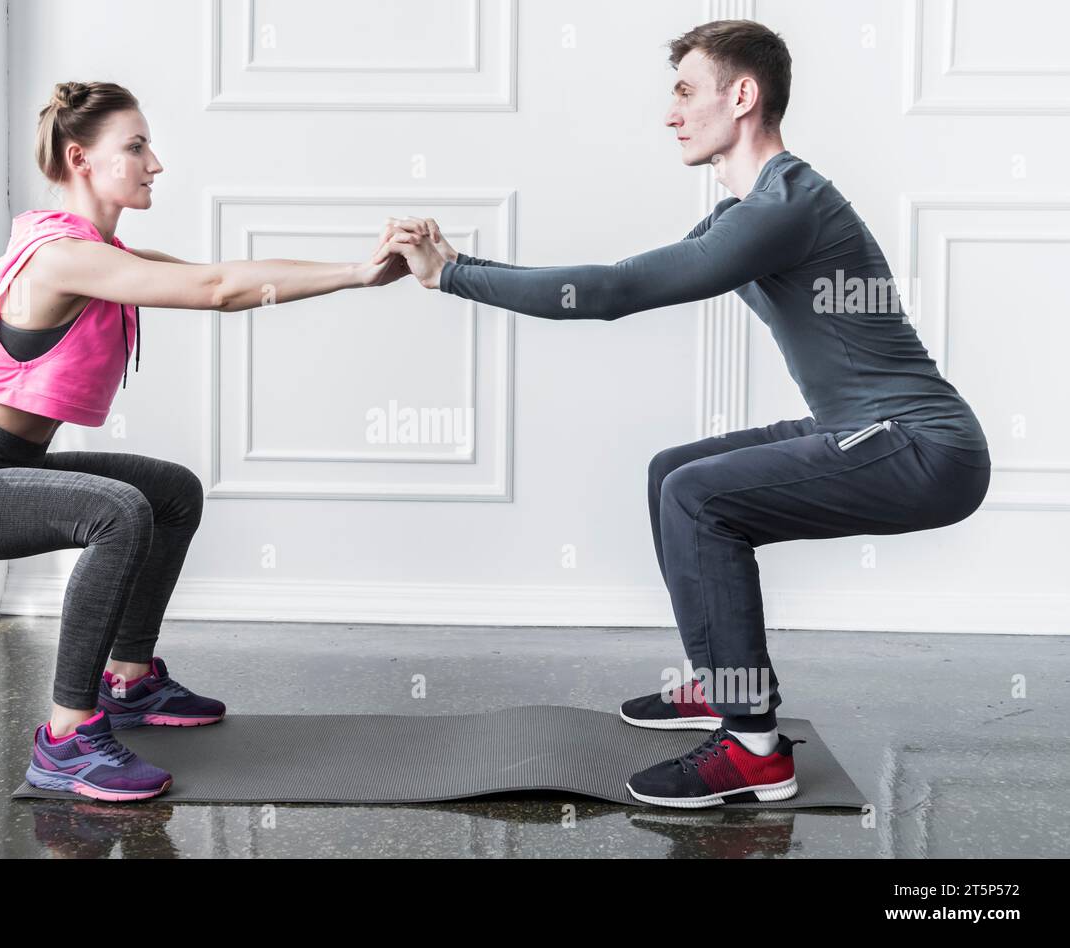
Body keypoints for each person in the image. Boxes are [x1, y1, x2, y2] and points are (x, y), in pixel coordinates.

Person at [380, 19, 991, 808]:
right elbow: (617, 278)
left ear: (742, 96)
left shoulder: (787, 206)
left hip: (922, 449)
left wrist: (455, 274)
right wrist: (460, 266)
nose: (670, 114)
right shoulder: (754, 207)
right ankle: (724, 679)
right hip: (871, 432)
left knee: (697, 497)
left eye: (684, 92)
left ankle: (753, 750)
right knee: (674, 470)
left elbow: (611, 295)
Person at [0, 81, 408, 801]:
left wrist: (359, 273)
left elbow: (221, 280)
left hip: (0, 466)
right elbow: (220, 288)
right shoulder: (64, 258)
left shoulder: (101, 252)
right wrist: (356, 273)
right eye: (135, 147)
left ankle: (128, 681)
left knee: (169, 492)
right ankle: (66, 738)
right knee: (117, 510)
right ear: (81, 158)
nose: (154, 163)